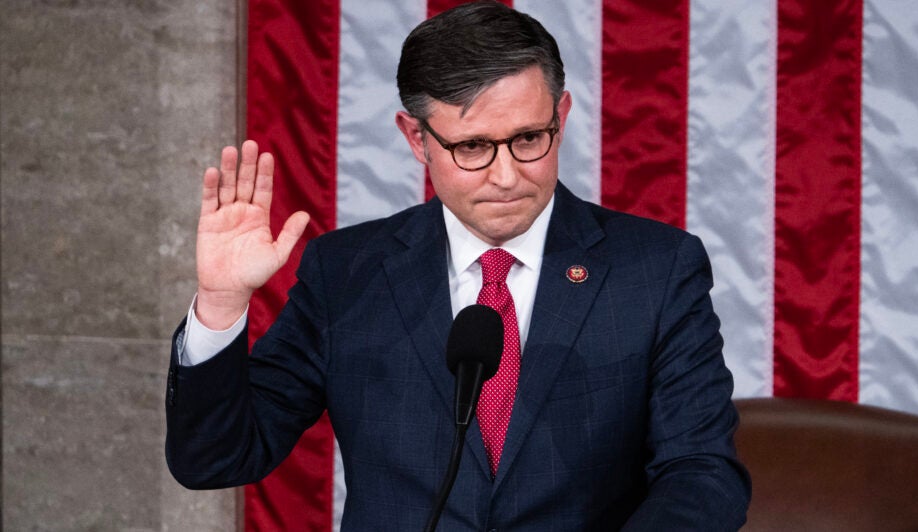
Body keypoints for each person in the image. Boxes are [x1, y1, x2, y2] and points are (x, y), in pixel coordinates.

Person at [165, 2, 751, 530]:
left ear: (562, 116)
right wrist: (220, 304)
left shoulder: (654, 269)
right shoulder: (345, 273)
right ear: (416, 138)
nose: (505, 176)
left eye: (528, 138)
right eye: (472, 147)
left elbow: (701, 472)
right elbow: (217, 458)